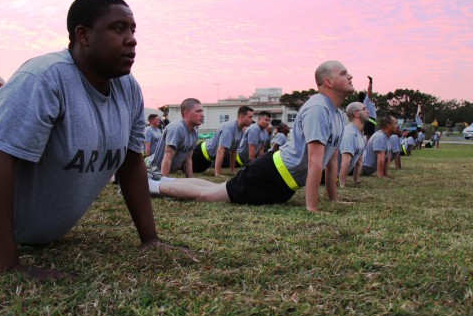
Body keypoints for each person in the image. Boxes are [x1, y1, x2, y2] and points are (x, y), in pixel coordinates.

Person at [0, 0, 178, 279]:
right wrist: (10, 265)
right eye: (118, 28)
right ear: (83, 35)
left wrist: (150, 240)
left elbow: (130, 164)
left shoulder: (129, 89)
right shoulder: (45, 78)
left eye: (132, 30)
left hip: (33, 233)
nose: (131, 39)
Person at [148, 60, 353, 212]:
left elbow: (331, 160)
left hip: (285, 182)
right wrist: (312, 208)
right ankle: (153, 186)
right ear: (328, 81)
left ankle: (160, 181)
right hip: (272, 173)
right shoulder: (318, 108)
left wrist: (333, 199)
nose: (350, 77)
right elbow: (314, 161)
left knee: (217, 189)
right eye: (344, 73)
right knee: (210, 195)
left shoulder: (337, 115)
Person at [191, 106, 254, 176]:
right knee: (182, 167)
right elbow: (220, 150)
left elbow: (234, 151)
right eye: (250, 117)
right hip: (200, 153)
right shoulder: (229, 128)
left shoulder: (241, 130)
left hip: (209, 159)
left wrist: (232, 171)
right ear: (241, 117)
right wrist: (218, 174)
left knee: (198, 171)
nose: (252, 120)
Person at [148, 98, 203, 177]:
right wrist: (164, 183)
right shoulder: (176, 128)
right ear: (187, 113)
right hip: (151, 169)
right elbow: (167, 158)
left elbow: (188, 159)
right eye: (198, 111)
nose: (202, 114)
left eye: (202, 111)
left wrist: (190, 180)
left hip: (164, 170)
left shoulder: (195, 132)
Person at [338, 102, 367, 187]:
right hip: (328, 176)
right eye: (364, 109)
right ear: (356, 113)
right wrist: (342, 185)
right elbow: (345, 162)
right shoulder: (349, 133)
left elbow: (359, 162)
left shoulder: (359, 134)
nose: (368, 111)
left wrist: (356, 181)